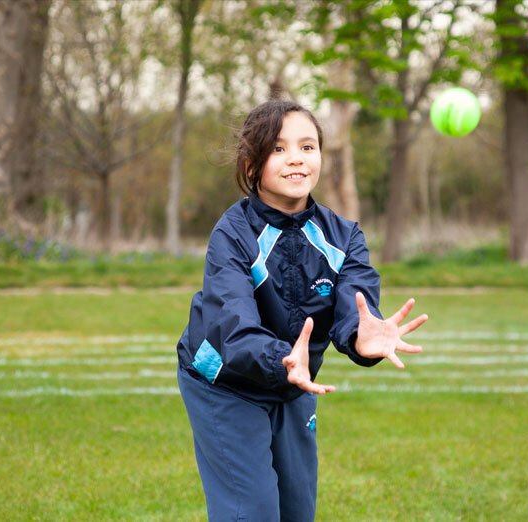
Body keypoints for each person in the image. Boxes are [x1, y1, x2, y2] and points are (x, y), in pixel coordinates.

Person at [176, 100, 428, 521]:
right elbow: (232, 324)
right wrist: (283, 359)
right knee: (252, 511)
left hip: (295, 382)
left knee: (296, 511)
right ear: (251, 164)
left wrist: (359, 337)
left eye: (307, 146)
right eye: (278, 149)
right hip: (224, 380)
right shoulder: (232, 234)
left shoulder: (344, 236)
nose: (295, 158)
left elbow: (356, 302)